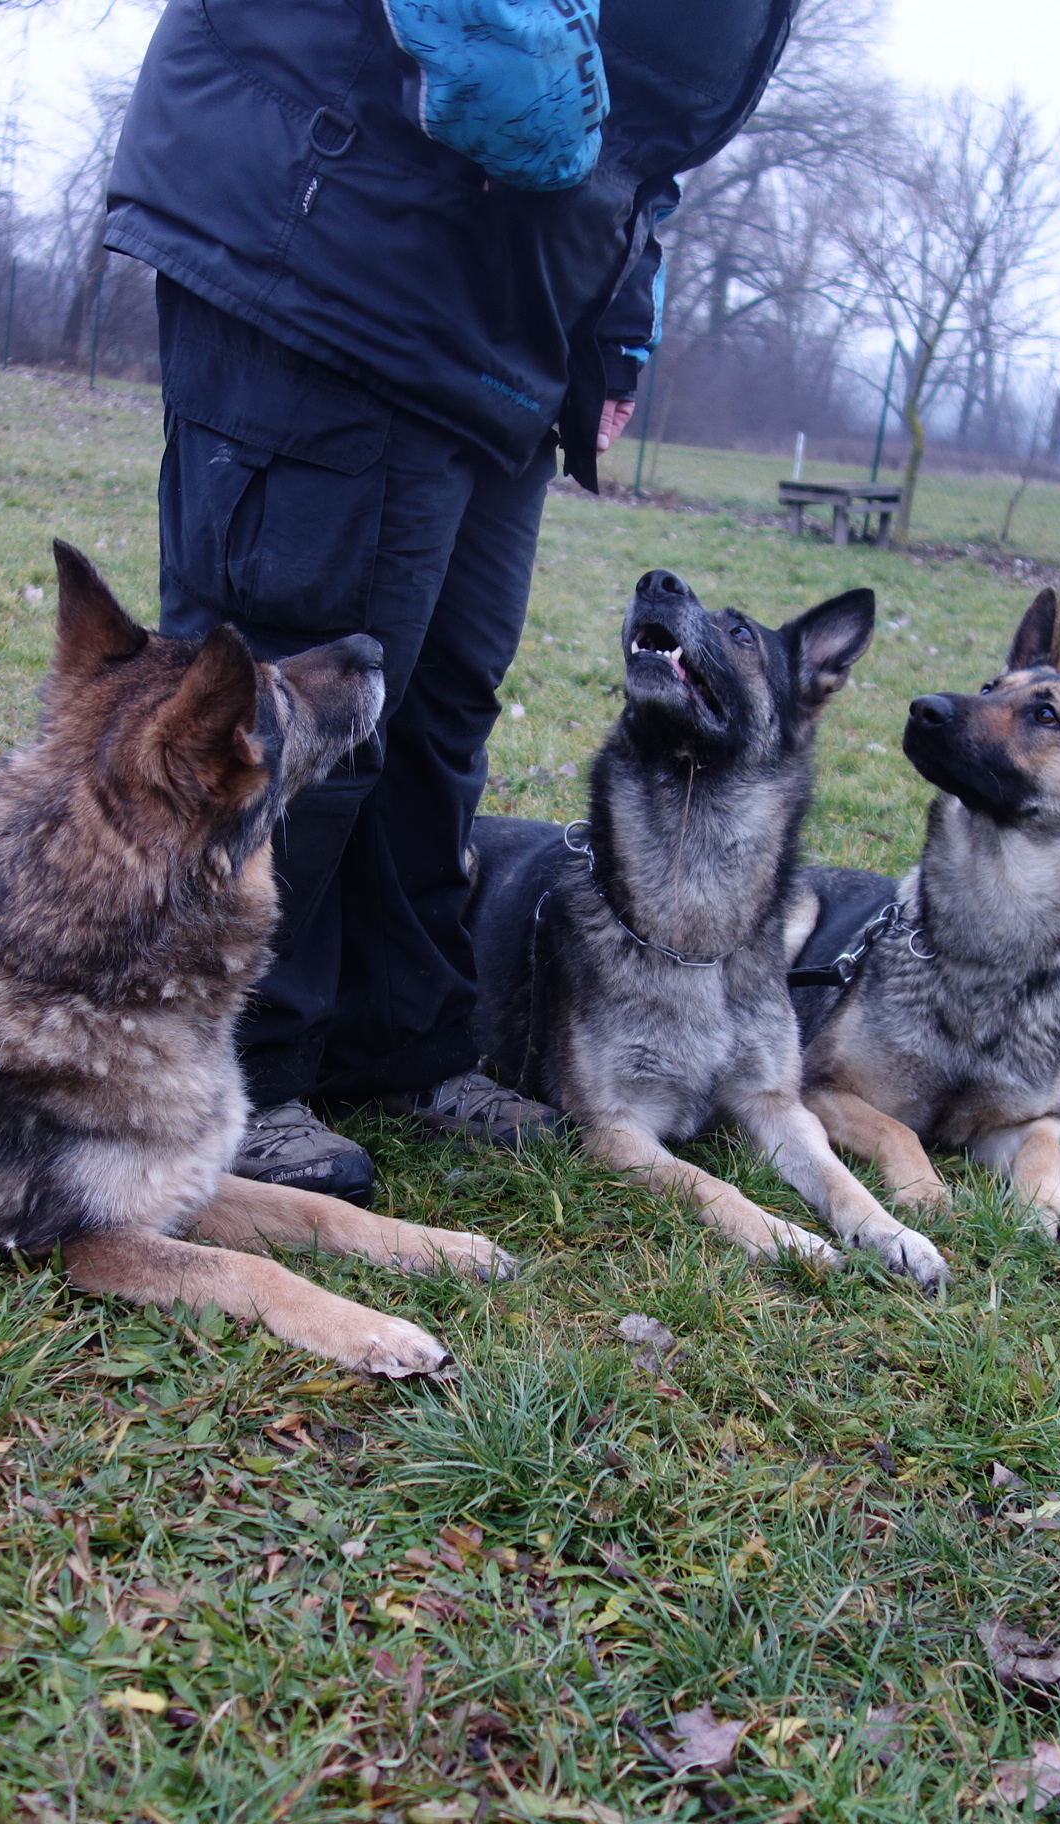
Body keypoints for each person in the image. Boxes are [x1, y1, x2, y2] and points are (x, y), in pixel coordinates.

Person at [104, 0, 796, 1200]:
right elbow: (514, 64)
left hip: (508, 314)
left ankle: (396, 1041)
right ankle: (230, 1060)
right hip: (346, 250)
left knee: (438, 708)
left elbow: (636, 124)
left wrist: (614, 318)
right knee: (308, 699)